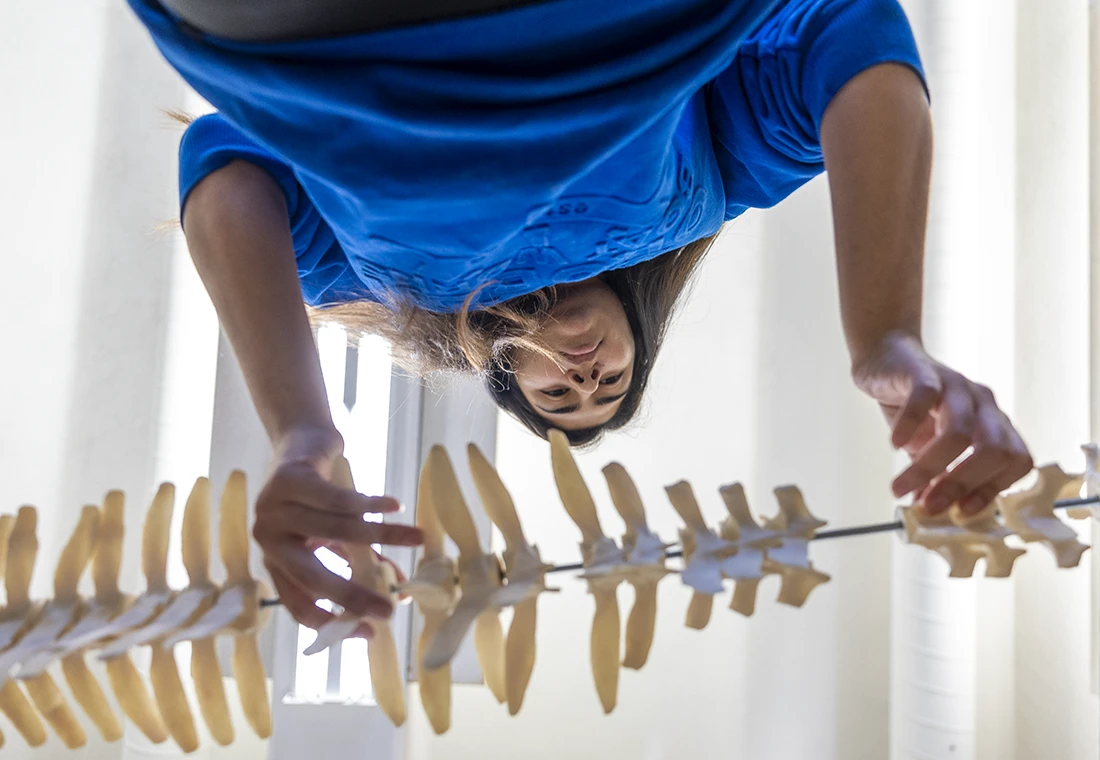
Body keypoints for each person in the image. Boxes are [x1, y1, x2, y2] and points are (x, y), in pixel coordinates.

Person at [127, 0, 1035, 633]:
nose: (584, 373)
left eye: (561, 396)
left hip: (307, 35)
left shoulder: (384, 291)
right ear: (645, 335)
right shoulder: (715, 184)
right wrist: (887, 337)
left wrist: (300, 434)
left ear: (503, 377)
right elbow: (851, 32)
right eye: (611, 383)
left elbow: (223, 167)